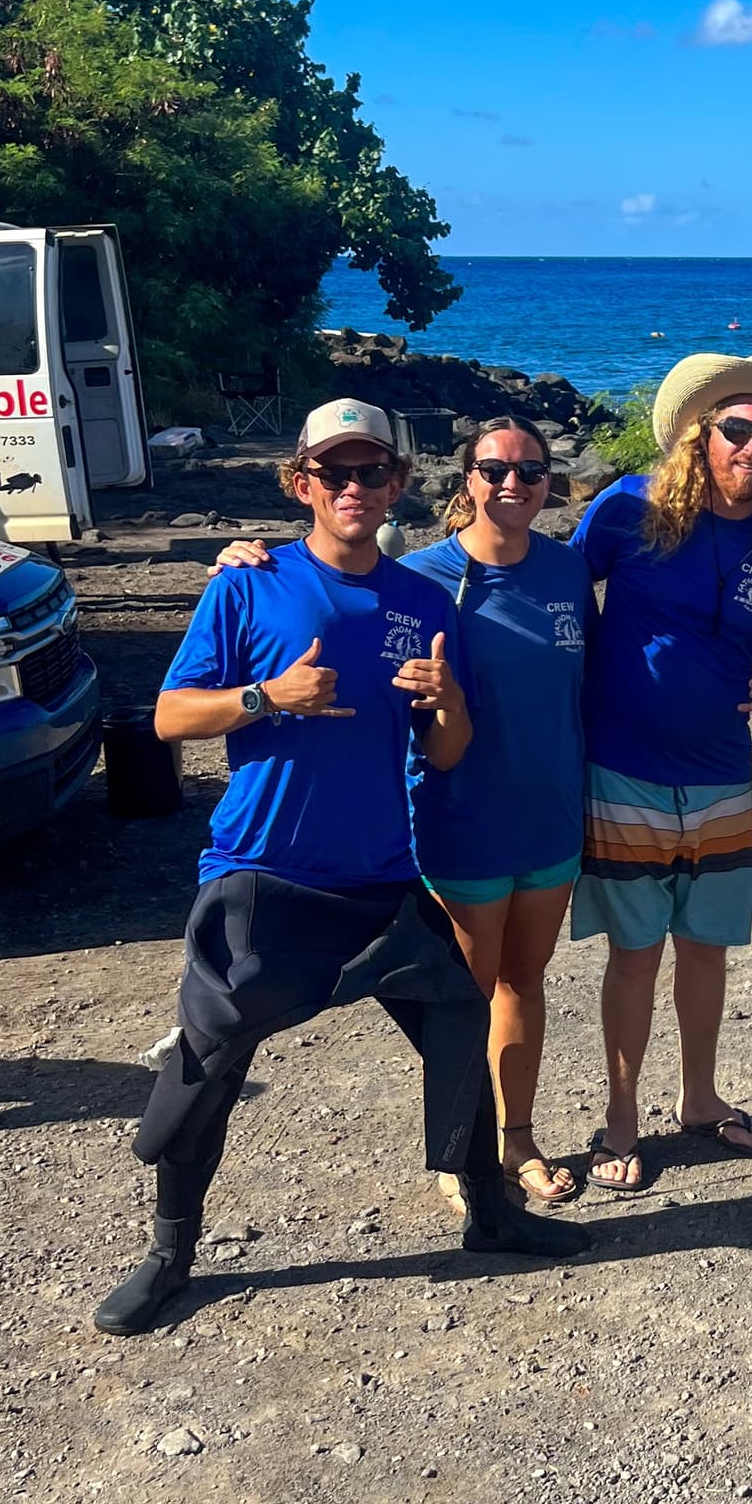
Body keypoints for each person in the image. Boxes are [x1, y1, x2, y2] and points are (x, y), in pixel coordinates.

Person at [94, 400, 586, 1337]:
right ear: (302, 484)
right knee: (209, 1068)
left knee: (458, 1020)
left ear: (399, 484)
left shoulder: (419, 601)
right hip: (262, 875)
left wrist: (444, 704)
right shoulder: (247, 584)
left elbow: (445, 752)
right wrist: (263, 696)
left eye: (372, 473)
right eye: (335, 473)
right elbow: (165, 720)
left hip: (383, 879)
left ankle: (488, 1212)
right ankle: (168, 1253)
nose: (354, 488)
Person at [210, 416, 595, 1206]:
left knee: (526, 982)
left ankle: (515, 1137)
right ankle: (468, 1159)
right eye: (495, 470)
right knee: (461, 1001)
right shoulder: (425, 578)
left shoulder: (568, 571)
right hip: (459, 823)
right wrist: (247, 562)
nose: (513, 484)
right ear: (467, 481)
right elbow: (342, 589)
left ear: (550, 482)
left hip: (552, 819)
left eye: (531, 471)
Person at [571, 353, 752, 1193]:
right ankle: (619, 1118)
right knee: (635, 952)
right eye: (739, 430)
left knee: (706, 949)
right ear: (702, 435)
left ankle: (698, 1099)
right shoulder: (629, 509)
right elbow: (537, 586)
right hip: (625, 769)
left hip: (722, 775)